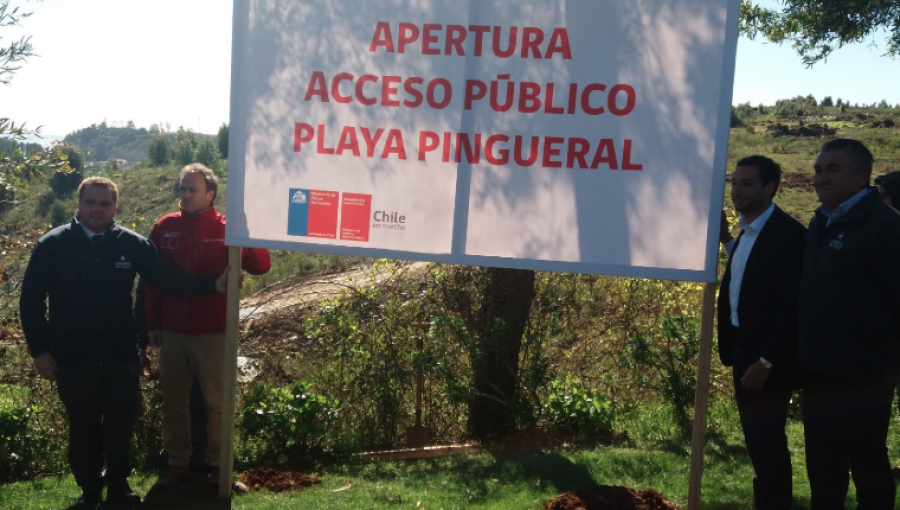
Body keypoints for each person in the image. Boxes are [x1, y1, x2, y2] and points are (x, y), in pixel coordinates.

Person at [19, 177, 226, 508]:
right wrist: (40, 351)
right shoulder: (53, 245)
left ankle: (119, 489)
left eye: (105, 203)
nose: (97, 209)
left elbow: (163, 280)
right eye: (90, 202)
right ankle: (89, 493)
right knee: (83, 426)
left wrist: (212, 286)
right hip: (71, 357)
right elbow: (30, 302)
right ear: (78, 204)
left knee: (119, 425)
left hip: (120, 356)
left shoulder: (132, 244)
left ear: (115, 207)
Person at [146, 163, 271, 489]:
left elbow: (261, 265)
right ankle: (178, 465)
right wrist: (153, 323)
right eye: (182, 189)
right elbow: (153, 282)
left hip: (214, 332)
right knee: (173, 400)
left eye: (193, 190)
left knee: (218, 402)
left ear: (210, 194)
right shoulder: (165, 226)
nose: (185, 195)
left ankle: (220, 467)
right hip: (172, 331)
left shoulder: (228, 227)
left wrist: (247, 228)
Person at [799, 139, 900, 510]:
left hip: (864, 375)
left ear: (861, 176)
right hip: (817, 370)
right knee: (823, 470)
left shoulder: (886, 228)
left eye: (832, 169)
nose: (820, 178)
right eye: (818, 170)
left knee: (868, 468)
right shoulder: (819, 221)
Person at [717, 156, 805, 510]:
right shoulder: (747, 231)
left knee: (767, 440)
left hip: (766, 360)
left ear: (770, 188)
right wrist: (726, 243)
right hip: (743, 350)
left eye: (747, 184)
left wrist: (767, 361)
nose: (737, 190)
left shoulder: (789, 236)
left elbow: (793, 307)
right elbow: (750, 273)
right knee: (756, 440)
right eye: (734, 183)